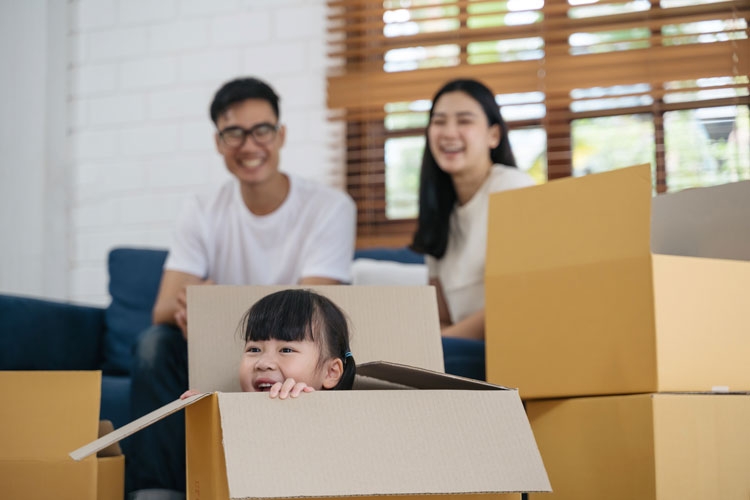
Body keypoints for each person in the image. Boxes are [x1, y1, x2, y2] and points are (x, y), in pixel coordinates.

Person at [125, 77, 356, 500]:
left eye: (262, 130)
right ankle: (158, 491)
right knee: (153, 344)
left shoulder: (329, 207)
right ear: (219, 142)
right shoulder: (202, 209)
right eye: (234, 133)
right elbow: (162, 308)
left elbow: (312, 312)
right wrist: (188, 310)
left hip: (294, 352)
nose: (249, 145)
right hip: (226, 347)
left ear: (281, 134)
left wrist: (215, 306)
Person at [410, 78, 535, 379]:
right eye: (439, 122)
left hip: (509, 344)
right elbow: (439, 315)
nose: (449, 133)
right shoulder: (441, 213)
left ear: (493, 135)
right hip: (463, 346)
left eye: (464, 121)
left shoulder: (512, 188)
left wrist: (437, 344)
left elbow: (517, 302)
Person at [181, 289, 356, 401]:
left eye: (286, 350)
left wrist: (302, 407)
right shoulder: (236, 417)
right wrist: (206, 416)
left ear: (330, 372)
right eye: (254, 349)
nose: (263, 363)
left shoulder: (340, 425)